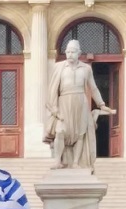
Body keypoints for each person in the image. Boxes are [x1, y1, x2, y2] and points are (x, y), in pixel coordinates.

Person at [43, 39, 115, 170]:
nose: (70, 54)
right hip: (64, 102)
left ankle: (76, 162)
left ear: (79, 53)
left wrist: (101, 104)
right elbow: (53, 89)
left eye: (73, 52)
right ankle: (58, 161)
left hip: (81, 102)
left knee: (80, 133)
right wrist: (54, 108)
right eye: (68, 51)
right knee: (60, 131)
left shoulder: (86, 69)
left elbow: (93, 88)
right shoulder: (59, 67)